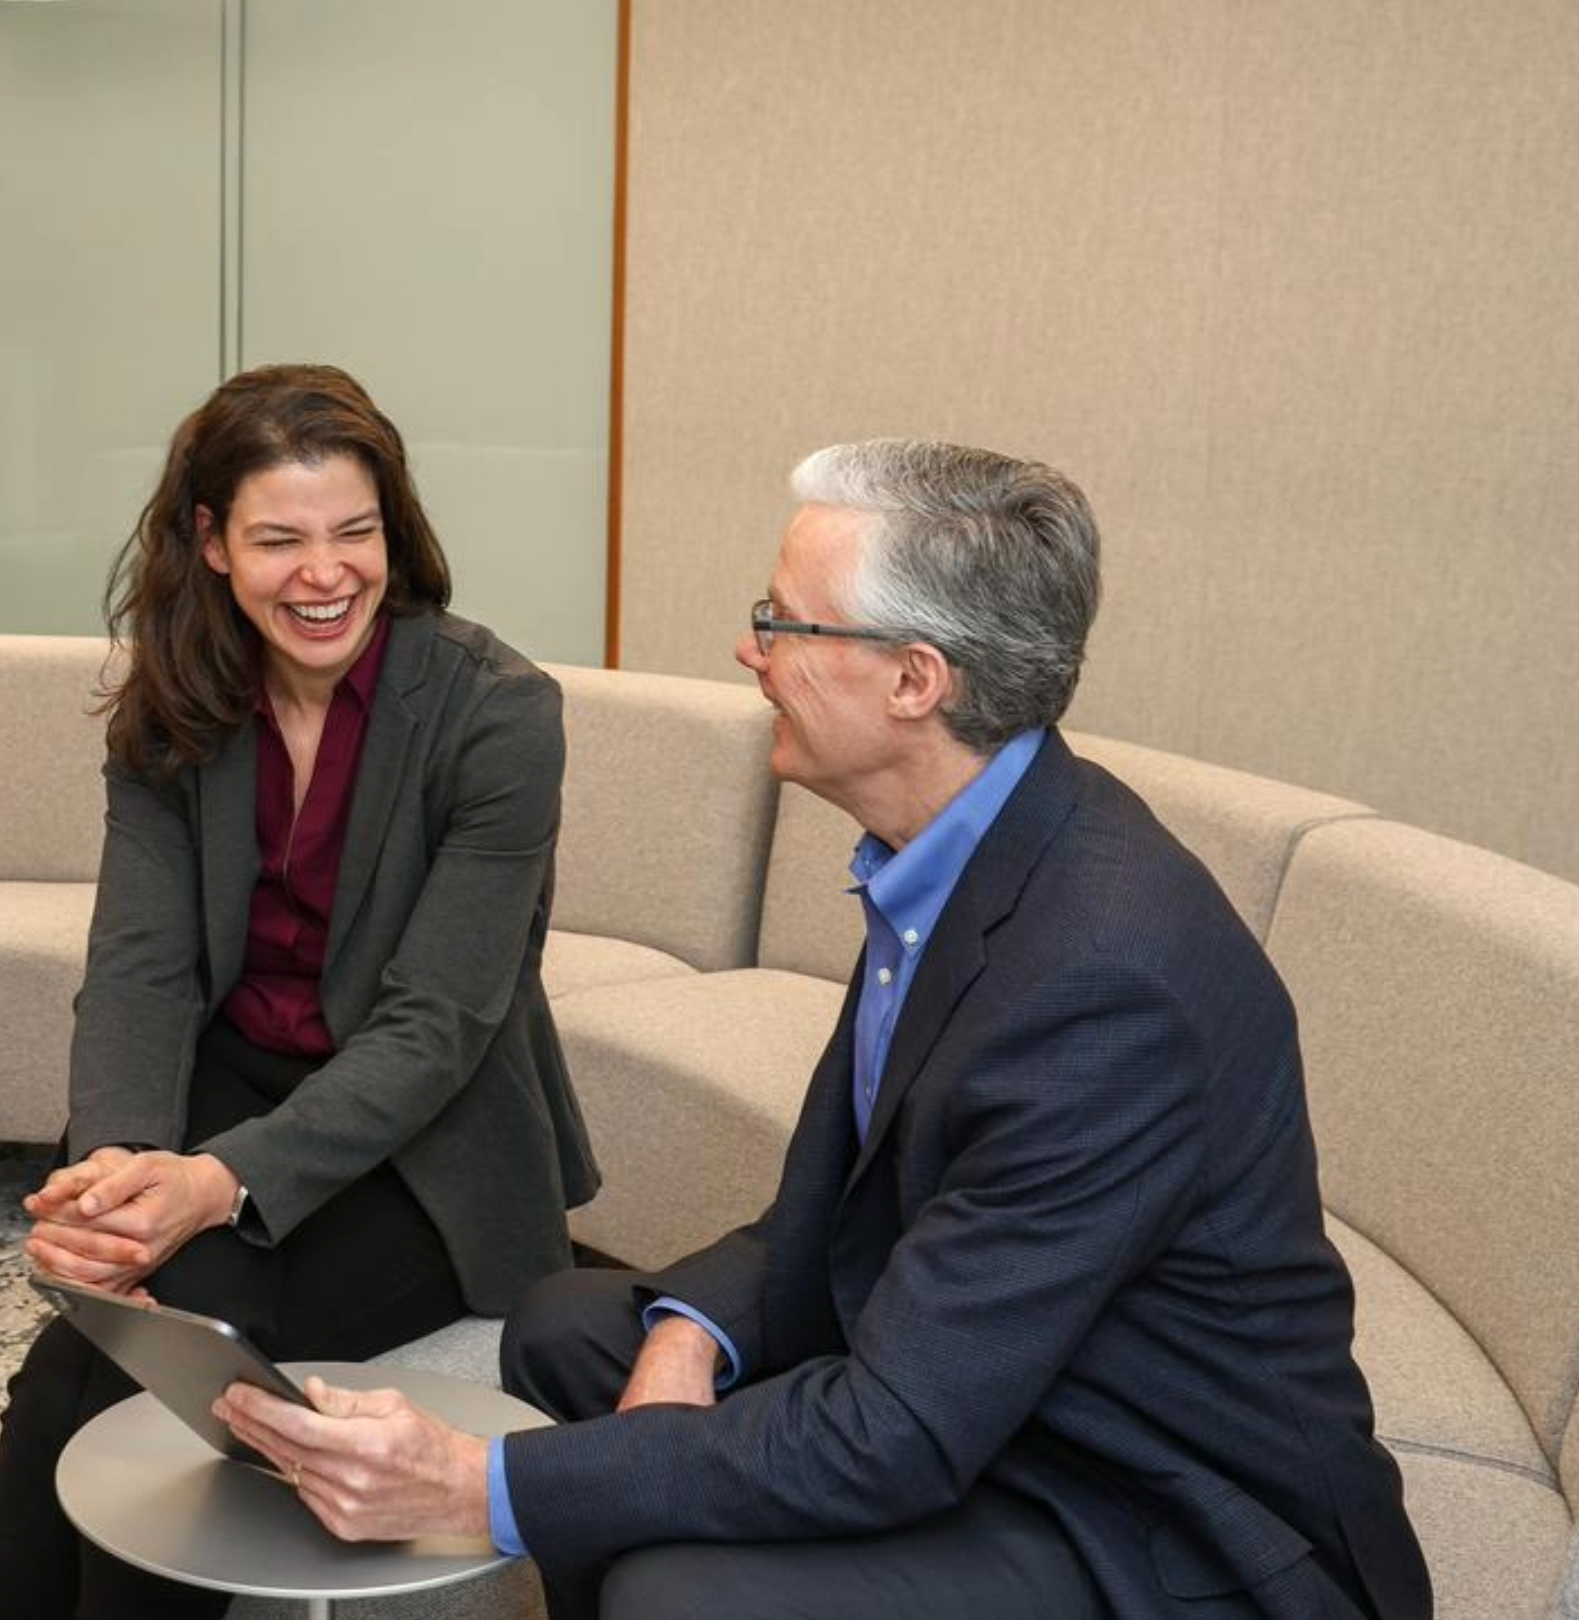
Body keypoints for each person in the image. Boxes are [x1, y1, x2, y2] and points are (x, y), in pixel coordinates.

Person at [219, 440, 1434, 1620]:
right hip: (998, 1376)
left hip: (1150, 1505)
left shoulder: (1104, 984)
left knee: (671, 1585)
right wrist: (690, 1333)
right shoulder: (962, 846)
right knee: (572, 1330)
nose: (748, 651)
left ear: (915, 680)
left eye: (785, 623)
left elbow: (897, 1431)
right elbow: (851, 1195)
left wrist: (472, 1487)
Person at [0, 363, 600, 1620]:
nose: (325, 573)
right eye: (280, 539)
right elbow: (140, 965)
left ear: (392, 533)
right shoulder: (178, 700)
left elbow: (436, 1027)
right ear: (211, 543)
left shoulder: (499, 715)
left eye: (355, 533)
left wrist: (211, 1182)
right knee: (93, 1356)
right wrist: (116, 1169)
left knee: (141, 1374)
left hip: (427, 1146)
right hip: (233, 1083)